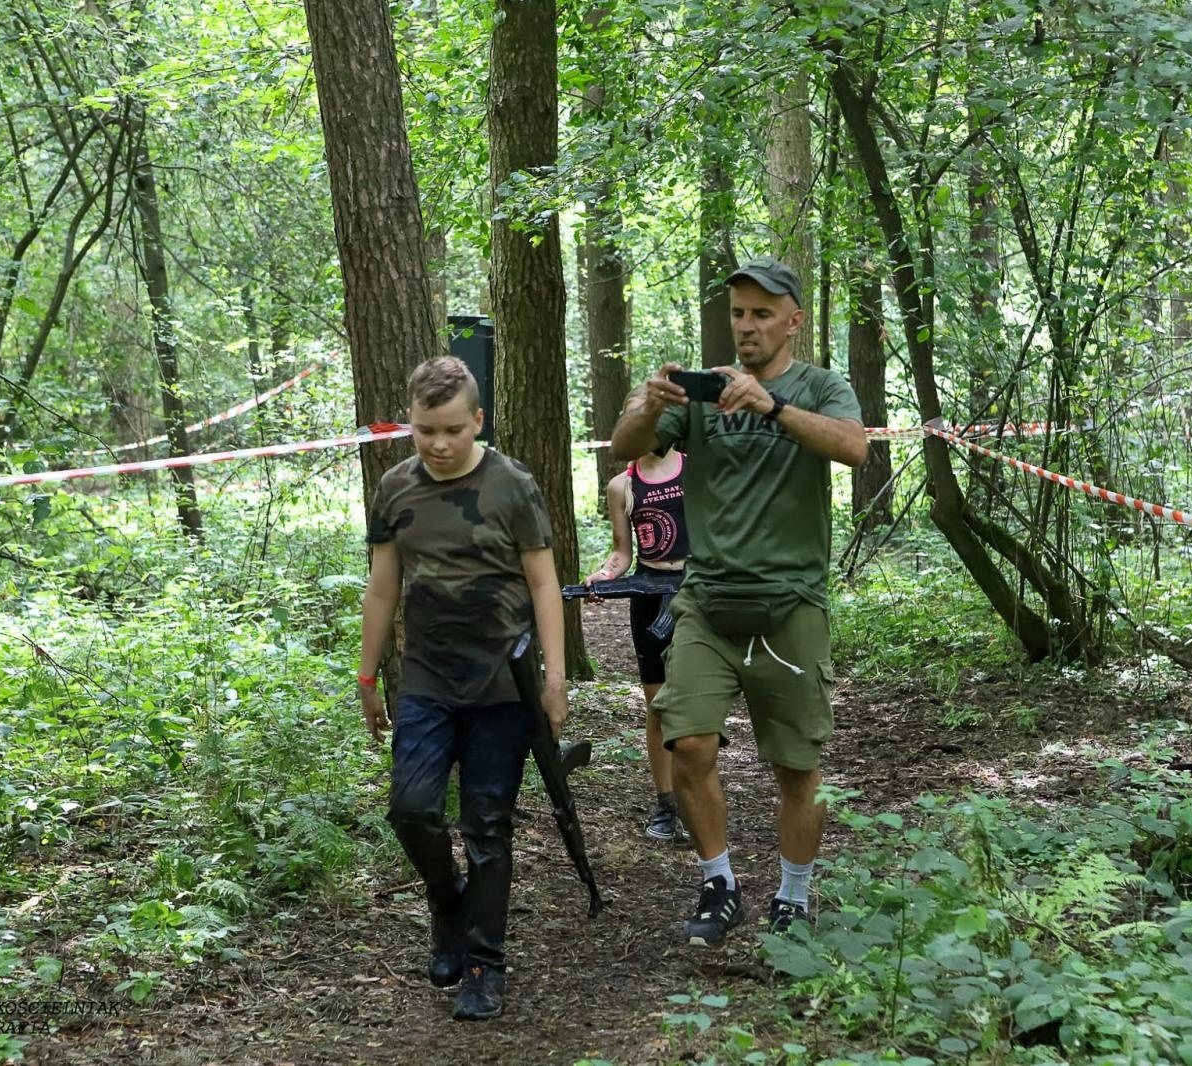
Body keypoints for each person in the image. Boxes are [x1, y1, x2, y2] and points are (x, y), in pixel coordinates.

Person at [609, 256, 867, 946]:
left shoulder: (821, 386)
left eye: (761, 313)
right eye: (737, 314)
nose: (747, 326)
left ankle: (794, 895)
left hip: (791, 605)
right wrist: (648, 404)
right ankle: (718, 883)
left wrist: (773, 406)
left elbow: (854, 449)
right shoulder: (702, 392)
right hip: (706, 601)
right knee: (687, 742)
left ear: (793, 320)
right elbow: (625, 449)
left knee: (796, 767)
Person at [357, 355, 569, 1021]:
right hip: (425, 677)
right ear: (410, 427)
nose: (440, 444)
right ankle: (446, 901)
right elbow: (383, 585)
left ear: (477, 420)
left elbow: (543, 583)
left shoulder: (512, 485)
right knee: (411, 808)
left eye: (452, 429)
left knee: (487, 826)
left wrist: (555, 677)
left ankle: (485, 963)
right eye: (426, 430)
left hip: (502, 685)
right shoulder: (395, 488)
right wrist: (366, 676)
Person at [583, 445, 689, 841]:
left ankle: (700, 796)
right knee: (657, 703)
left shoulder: (695, 471)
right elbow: (622, 552)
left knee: (698, 700)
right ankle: (666, 805)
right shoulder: (621, 485)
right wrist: (605, 575)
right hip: (648, 595)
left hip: (696, 592)